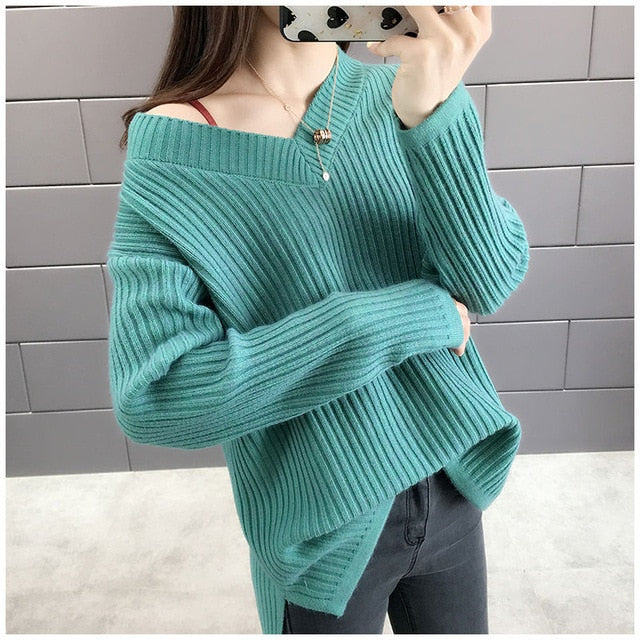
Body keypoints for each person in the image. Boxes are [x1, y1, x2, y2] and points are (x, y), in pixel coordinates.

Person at [108, 5, 529, 634]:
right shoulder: (174, 148)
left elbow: (487, 281)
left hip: (452, 482)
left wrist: (435, 115)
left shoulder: (406, 92)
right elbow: (156, 396)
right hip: (319, 529)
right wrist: (404, 317)